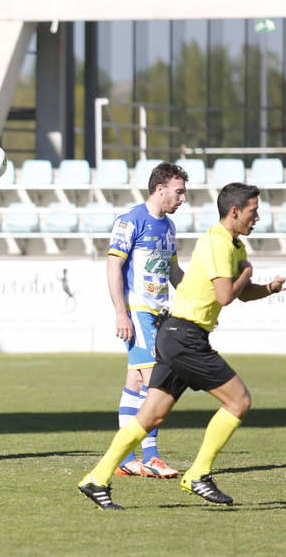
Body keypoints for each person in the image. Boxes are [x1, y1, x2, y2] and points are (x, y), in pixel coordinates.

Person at [78, 182, 286, 510]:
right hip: (184, 337)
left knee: (150, 415)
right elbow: (226, 295)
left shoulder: (235, 245)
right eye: (253, 211)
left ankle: (96, 477)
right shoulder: (218, 243)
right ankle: (198, 474)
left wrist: (269, 288)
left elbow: (242, 293)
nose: (257, 217)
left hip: (178, 334)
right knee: (239, 402)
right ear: (234, 212)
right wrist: (247, 272)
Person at [108, 162, 187, 479]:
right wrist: (120, 312)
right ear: (160, 188)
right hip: (139, 311)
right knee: (157, 383)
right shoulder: (130, 222)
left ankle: (125, 459)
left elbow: (174, 273)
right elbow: (114, 267)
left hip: (161, 313)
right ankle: (151, 458)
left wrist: (200, 301)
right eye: (179, 192)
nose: (182, 199)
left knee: (136, 383)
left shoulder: (168, 227)